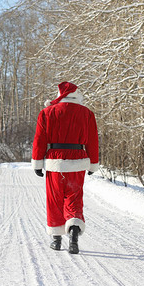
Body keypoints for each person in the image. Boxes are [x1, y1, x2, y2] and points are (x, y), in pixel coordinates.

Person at [32, 81, 99, 254]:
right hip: (77, 160)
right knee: (74, 198)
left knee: (54, 199)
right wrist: (93, 163)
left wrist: (37, 162)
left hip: (55, 161)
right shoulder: (87, 113)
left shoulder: (47, 113)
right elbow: (92, 140)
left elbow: (40, 140)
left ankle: (56, 239)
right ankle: (74, 231)